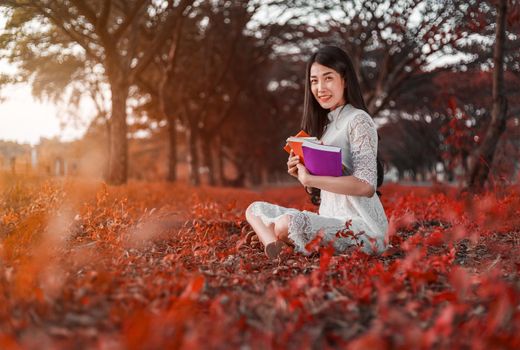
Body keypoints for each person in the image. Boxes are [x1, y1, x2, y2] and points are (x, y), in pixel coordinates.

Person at [245, 45, 388, 259]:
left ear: (345, 80)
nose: (320, 87)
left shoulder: (358, 119)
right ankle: (275, 243)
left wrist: (310, 179)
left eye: (328, 78)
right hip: (329, 218)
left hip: (361, 227)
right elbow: (325, 183)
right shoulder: (324, 127)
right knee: (254, 209)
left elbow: (367, 186)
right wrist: (301, 174)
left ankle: (276, 236)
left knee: (287, 223)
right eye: (314, 81)